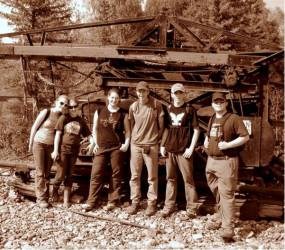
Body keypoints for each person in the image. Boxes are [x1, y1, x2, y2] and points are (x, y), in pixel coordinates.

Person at [203, 92, 249, 240]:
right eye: (216, 102)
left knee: (227, 194)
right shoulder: (212, 118)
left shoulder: (233, 118)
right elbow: (209, 134)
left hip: (226, 161)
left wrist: (228, 144)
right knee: (216, 191)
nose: (218, 104)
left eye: (221, 101)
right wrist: (206, 141)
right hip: (211, 161)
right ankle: (221, 217)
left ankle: (228, 228)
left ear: (226, 103)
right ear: (212, 104)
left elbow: (245, 137)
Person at [83, 88, 131, 212]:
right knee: (96, 173)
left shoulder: (123, 113)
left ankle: (112, 201)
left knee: (116, 174)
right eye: (112, 97)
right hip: (102, 147)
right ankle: (91, 202)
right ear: (108, 98)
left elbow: (128, 132)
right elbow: (94, 129)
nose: (114, 100)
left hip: (116, 147)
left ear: (119, 99)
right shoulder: (99, 111)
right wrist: (94, 143)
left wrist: (126, 144)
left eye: (116, 98)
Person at [160, 83, 200, 218]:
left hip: (184, 150)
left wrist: (191, 148)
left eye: (180, 93)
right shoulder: (168, 108)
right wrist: (162, 145)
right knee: (170, 179)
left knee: (188, 179)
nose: (178, 95)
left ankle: (192, 208)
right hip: (170, 149)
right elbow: (166, 129)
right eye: (175, 93)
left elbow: (196, 130)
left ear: (184, 94)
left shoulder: (190, 109)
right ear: (171, 94)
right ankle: (168, 206)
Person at [127, 81, 164, 216]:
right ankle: (135, 202)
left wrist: (155, 140)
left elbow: (161, 125)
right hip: (136, 145)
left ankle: (151, 203)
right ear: (136, 92)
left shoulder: (156, 105)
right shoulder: (134, 106)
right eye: (139, 91)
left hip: (151, 145)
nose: (141, 93)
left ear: (148, 91)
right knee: (135, 176)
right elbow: (131, 124)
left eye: (143, 91)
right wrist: (133, 139)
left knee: (152, 177)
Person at [28, 95, 69, 208]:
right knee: (40, 172)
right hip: (39, 143)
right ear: (56, 102)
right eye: (61, 103)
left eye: (66, 104)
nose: (63, 106)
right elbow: (34, 127)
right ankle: (41, 199)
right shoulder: (46, 112)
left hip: (51, 147)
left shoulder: (62, 117)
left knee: (47, 172)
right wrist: (30, 143)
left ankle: (45, 196)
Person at [51, 98, 92, 208]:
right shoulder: (63, 118)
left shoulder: (81, 121)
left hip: (74, 151)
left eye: (75, 107)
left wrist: (93, 143)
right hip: (63, 150)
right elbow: (58, 135)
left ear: (78, 108)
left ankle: (66, 199)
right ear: (68, 108)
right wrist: (55, 150)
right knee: (60, 174)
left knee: (70, 175)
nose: (73, 109)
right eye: (71, 107)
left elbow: (88, 135)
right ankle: (54, 192)